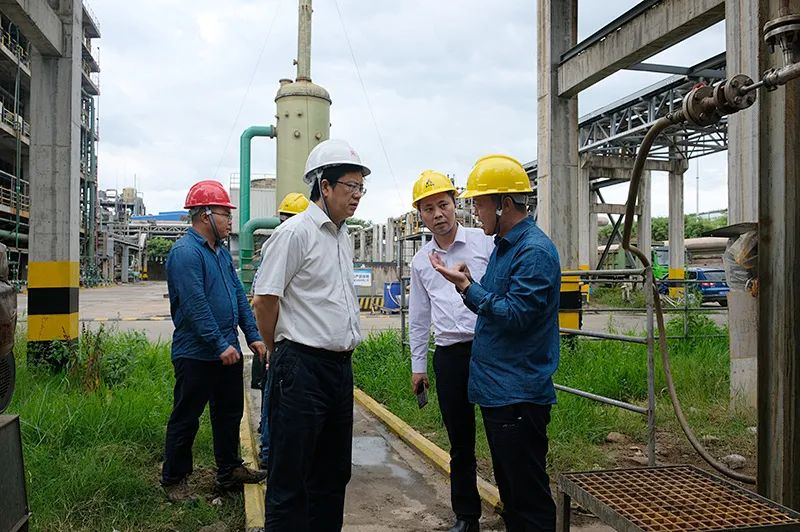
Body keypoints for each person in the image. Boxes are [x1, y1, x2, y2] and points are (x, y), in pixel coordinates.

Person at [430, 155, 560, 531]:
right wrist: (470, 284)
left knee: (527, 497)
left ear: (503, 204)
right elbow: (499, 302)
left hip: (517, 393)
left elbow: (517, 315)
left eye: (479, 203)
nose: (474, 210)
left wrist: (469, 288)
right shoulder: (505, 246)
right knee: (512, 493)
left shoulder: (533, 252)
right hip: (501, 392)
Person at [252, 139, 369, 531]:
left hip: (338, 370)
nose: (357, 195)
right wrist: (276, 350)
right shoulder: (294, 233)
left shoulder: (342, 237)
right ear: (325, 186)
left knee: (333, 475)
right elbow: (264, 300)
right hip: (301, 367)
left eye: (361, 187)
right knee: (290, 477)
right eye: (350, 186)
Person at [161, 180, 268, 501]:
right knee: (187, 417)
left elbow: (237, 295)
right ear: (205, 214)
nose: (230, 220)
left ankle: (229, 469)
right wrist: (218, 344)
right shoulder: (185, 253)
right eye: (225, 214)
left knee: (229, 414)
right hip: (197, 354)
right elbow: (195, 306)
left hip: (227, 351)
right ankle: (174, 479)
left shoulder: (220, 252)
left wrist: (253, 335)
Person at [408, 170, 494, 532]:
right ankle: (466, 516)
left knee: (501, 431)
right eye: (428, 209)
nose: (438, 214)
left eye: (443, 204)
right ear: (420, 215)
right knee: (460, 440)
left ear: (454, 203)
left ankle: (516, 504)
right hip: (448, 355)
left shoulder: (484, 243)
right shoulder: (420, 261)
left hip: (488, 350)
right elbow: (419, 316)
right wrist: (418, 366)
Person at [254, 191, 310, 470]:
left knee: (272, 394)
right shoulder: (283, 245)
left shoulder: (275, 247)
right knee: (275, 397)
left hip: (278, 338)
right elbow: (263, 301)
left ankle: (268, 446)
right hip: (282, 340)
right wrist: (271, 344)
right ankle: (269, 451)